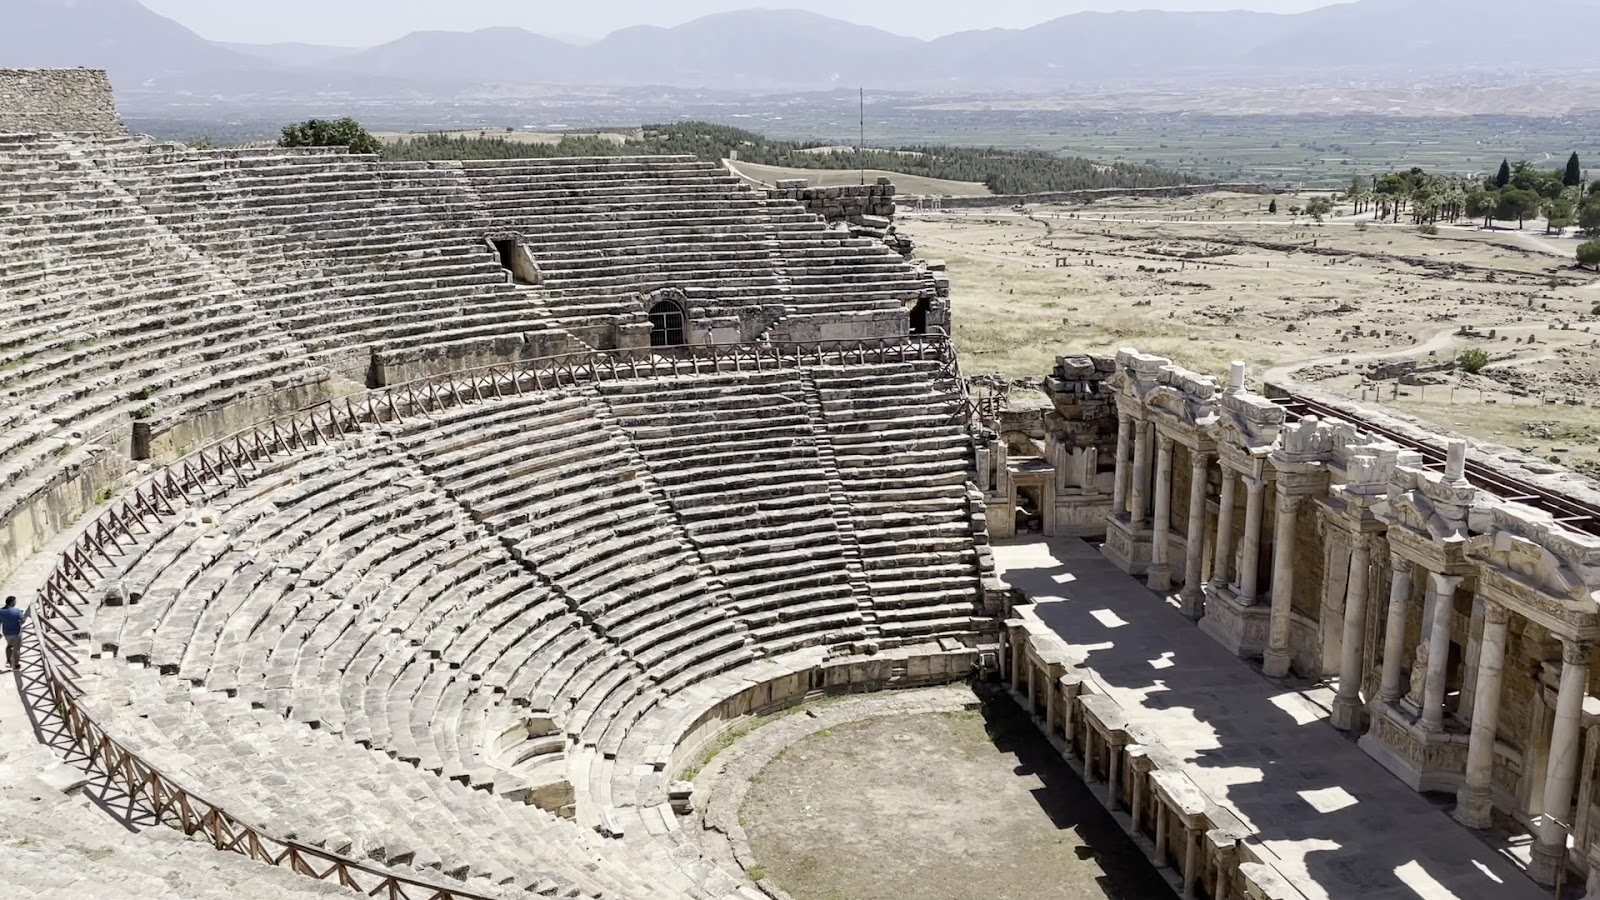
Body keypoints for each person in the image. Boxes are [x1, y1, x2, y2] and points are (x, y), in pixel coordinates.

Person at [1, 596, 25, 672]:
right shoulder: (17, 611)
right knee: (17, 648)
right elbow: (22, 620)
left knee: (9, 646)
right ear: (11, 602)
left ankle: (8, 661)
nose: (15, 603)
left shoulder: (1, 611)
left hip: (6, 633)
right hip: (16, 633)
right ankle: (16, 664)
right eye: (15, 602)